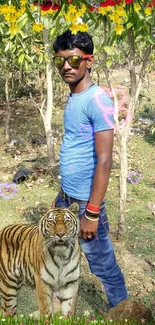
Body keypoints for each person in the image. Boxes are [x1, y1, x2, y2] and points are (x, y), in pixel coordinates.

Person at [52, 30, 128, 308]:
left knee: (101, 261)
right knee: (62, 249)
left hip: (87, 201)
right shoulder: (75, 98)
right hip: (70, 196)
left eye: (73, 60)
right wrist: (63, 195)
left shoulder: (98, 100)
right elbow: (75, 148)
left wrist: (92, 213)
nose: (66, 67)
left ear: (89, 60)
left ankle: (123, 310)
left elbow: (105, 160)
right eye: (60, 61)